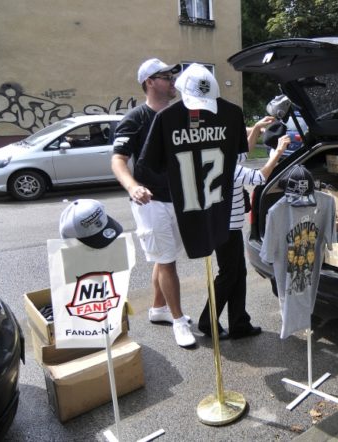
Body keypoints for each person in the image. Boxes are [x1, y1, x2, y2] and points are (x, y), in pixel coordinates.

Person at [110, 58, 195, 347]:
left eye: (173, 77)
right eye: (167, 77)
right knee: (167, 261)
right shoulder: (135, 118)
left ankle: (159, 309)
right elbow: (118, 160)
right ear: (149, 82)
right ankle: (179, 321)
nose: (173, 82)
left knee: (164, 256)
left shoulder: (180, 115)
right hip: (151, 201)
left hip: (178, 198)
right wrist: (133, 186)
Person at [196, 118, 290, 341]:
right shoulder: (226, 166)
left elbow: (243, 154)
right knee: (228, 275)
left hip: (226, 226)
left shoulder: (216, 157)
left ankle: (239, 323)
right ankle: (207, 322)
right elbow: (259, 177)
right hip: (226, 228)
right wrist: (278, 152)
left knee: (237, 274)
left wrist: (256, 129)